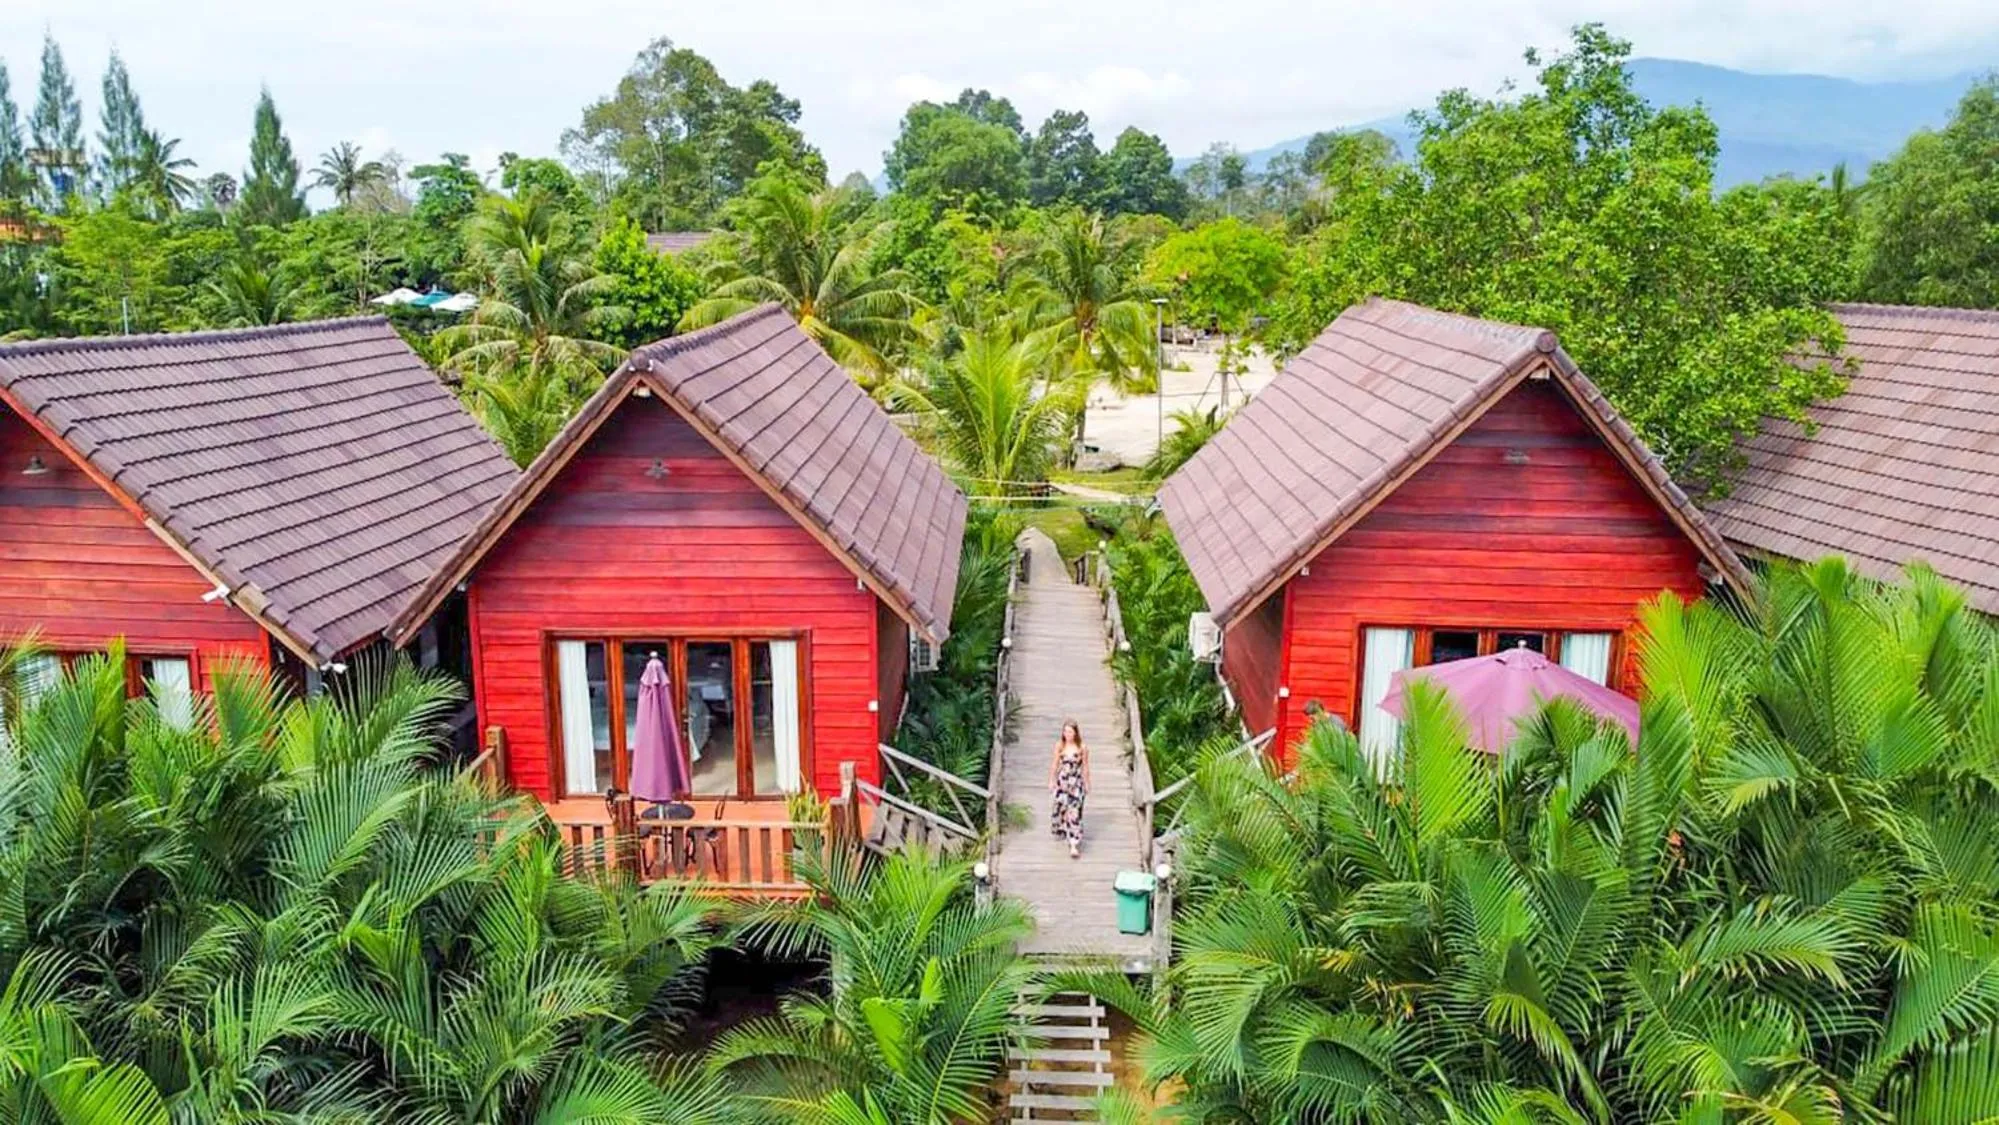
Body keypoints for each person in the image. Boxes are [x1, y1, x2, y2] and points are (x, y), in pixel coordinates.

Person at [1047, 720, 1089, 859]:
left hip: (1076, 783)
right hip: (1062, 781)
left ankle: (1073, 844)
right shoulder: (1060, 745)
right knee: (1060, 808)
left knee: (1074, 812)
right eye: (1065, 731)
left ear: (1076, 732)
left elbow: (1085, 767)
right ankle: (1062, 828)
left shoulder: (1082, 747)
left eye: (1070, 731)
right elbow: (1054, 764)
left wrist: (1087, 783)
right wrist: (1052, 780)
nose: (1067, 734)